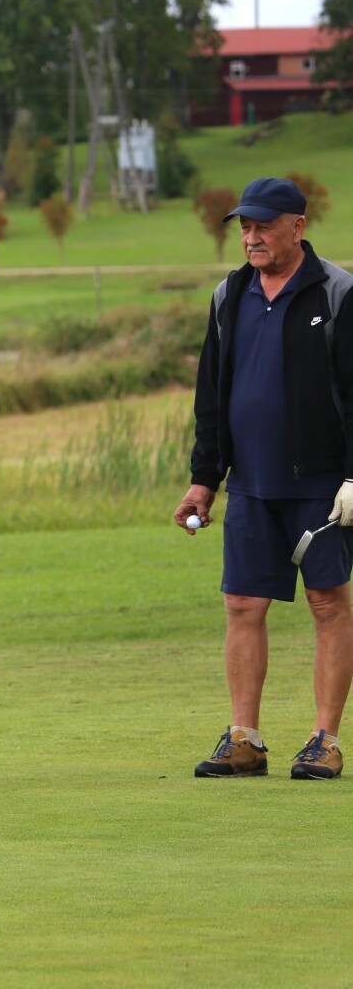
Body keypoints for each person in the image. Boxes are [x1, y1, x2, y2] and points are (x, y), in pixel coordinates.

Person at [178, 177, 353, 780]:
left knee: (328, 603)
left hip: (322, 486)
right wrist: (204, 479)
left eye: (264, 226)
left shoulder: (338, 292)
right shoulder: (229, 295)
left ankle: (325, 740)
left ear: (297, 227)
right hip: (250, 484)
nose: (251, 237)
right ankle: (244, 740)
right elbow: (211, 397)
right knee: (242, 603)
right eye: (245, 227)